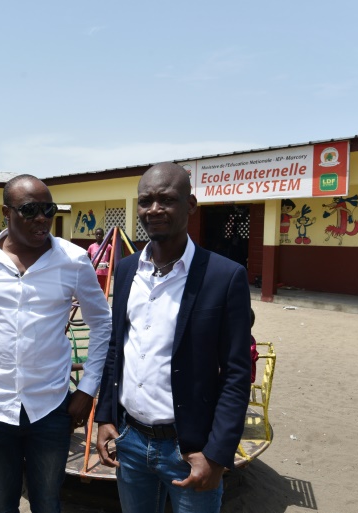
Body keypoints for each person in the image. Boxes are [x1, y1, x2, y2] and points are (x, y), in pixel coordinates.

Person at [0, 174, 112, 513]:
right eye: (30, 210)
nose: (42, 219)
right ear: (6, 213)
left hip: (51, 408)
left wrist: (87, 388)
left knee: (47, 500)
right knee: (2, 500)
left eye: (48, 210)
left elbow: (101, 322)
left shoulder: (74, 260)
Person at [95, 163, 251, 513]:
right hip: (130, 442)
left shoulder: (225, 277)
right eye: (145, 201)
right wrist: (106, 417)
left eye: (166, 200)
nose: (154, 210)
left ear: (191, 204)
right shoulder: (126, 270)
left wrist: (217, 454)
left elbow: (238, 373)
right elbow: (116, 350)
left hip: (191, 449)